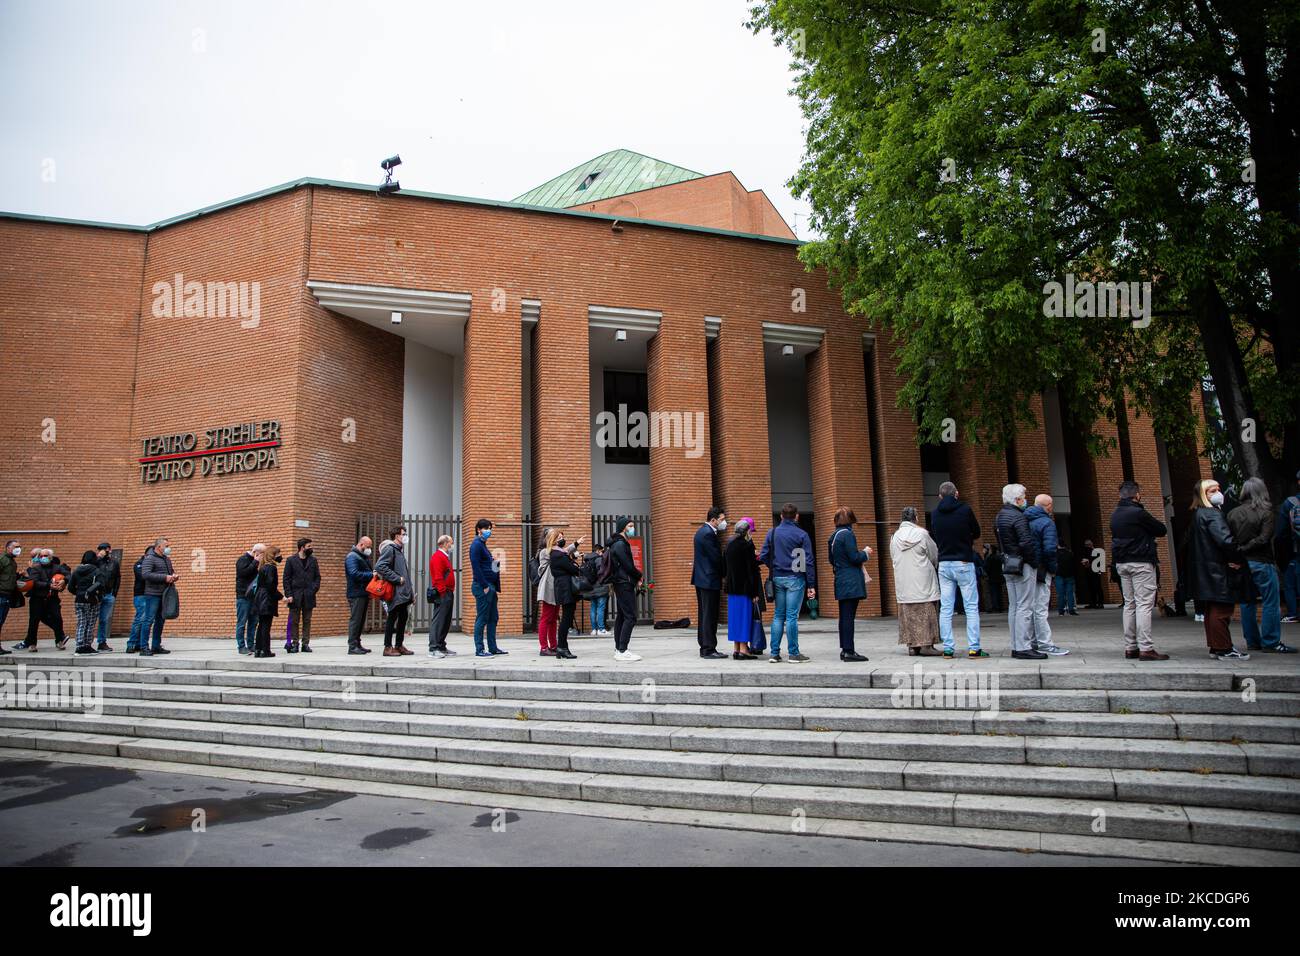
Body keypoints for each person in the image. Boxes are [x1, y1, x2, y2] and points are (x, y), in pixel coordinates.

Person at [1186, 478, 1250, 660]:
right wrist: (1237, 558)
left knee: (1213, 609)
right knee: (1221, 609)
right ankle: (1223, 647)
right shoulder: (1212, 514)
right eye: (1212, 491)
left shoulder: (1199, 514)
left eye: (1218, 489)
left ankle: (1217, 646)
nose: (1218, 493)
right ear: (1203, 495)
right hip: (1218, 570)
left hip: (1207, 569)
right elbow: (1225, 541)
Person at [1229, 477, 1294, 653]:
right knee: (1270, 602)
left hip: (1243, 564)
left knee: (1246, 603)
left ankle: (1252, 641)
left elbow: (1229, 540)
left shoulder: (1233, 513)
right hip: (1262, 562)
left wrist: (1239, 552)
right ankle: (1271, 641)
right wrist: (1245, 549)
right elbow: (1264, 538)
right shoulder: (1266, 512)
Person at [1110, 480, 1171, 660]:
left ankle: (1130, 647)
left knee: (1129, 604)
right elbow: (1161, 529)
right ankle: (1146, 647)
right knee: (1144, 604)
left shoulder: (1115, 514)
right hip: (1141, 562)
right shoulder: (1138, 513)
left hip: (1122, 563)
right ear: (1137, 495)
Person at [929, 481, 984, 658]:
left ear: (940, 496)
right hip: (963, 562)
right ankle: (974, 647)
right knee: (971, 606)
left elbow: (935, 535)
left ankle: (948, 648)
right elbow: (976, 532)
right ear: (957, 494)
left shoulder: (935, 514)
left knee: (946, 608)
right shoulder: (965, 510)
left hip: (944, 563)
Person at [995, 484, 1044, 660]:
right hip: (1022, 564)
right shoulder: (1019, 517)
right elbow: (1026, 542)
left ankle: (1016, 645)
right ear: (1017, 499)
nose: (1025, 498)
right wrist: (1033, 562)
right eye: (1024, 495)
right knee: (1025, 606)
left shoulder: (1000, 516)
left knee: (1014, 606)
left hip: (1008, 563)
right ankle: (1024, 646)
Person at [890, 507, 942, 655]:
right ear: (916, 518)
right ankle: (927, 645)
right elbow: (933, 554)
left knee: (909, 614)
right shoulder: (922, 534)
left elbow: (893, 557)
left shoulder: (895, 537)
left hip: (904, 583)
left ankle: (912, 645)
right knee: (926, 611)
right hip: (923, 580)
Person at [1025, 494, 1068, 655]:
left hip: (1028, 569)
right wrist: (1053, 569)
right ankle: (1045, 644)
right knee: (1041, 607)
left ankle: (1033, 641)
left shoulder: (1024, 519)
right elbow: (1049, 549)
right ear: (1048, 505)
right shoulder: (1047, 523)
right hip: (1042, 569)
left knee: (1030, 606)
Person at [827, 507, 870, 662]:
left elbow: (831, 560)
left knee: (844, 616)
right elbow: (854, 557)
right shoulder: (848, 535)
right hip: (851, 579)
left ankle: (844, 649)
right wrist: (865, 553)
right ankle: (849, 651)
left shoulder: (833, 536)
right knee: (849, 617)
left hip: (840, 578)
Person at [724, 517, 764, 660]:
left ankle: (736, 648)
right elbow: (750, 570)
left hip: (732, 588)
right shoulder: (746, 546)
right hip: (744, 589)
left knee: (735, 619)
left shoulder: (729, 544)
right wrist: (754, 592)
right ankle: (743, 650)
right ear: (746, 532)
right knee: (744, 619)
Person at [692, 507, 727, 659]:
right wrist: (726, 572)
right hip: (709, 579)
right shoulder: (708, 534)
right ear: (713, 520)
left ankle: (705, 646)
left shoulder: (701, 532)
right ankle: (708, 649)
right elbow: (715, 558)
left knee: (704, 614)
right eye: (722, 519)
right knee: (709, 615)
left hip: (702, 579)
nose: (724, 522)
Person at [607, 516, 643, 661]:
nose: (632, 528)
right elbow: (628, 565)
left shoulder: (617, 543)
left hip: (621, 582)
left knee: (622, 616)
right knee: (630, 617)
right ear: (623, 528)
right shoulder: (620, 544)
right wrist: (639, 575)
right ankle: (622, 650)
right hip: (624, 583)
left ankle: (619, 648)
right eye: (630, 526)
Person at [21, 548, 70, 651]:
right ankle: (32, 643)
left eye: (45, 556)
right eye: (41, 556)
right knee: (34, 621)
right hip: (37, 598)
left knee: (57, 619)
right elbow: (35, 582)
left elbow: (68, 574)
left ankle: (59, 641)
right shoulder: (36, 568)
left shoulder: (58, 568)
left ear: (51, 557)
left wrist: (64, 580)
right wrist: (49, 585)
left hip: (52, 598)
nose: (43, 558)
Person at [375, 526, 414, 656]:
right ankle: (387, 647)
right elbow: (380, 566)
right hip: (395, 591)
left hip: (403, 592)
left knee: (403, 617)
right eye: (404, 534)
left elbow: (404, 573)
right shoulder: (390, 549)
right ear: (397, 536)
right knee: (392, 618)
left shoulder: (399, 550)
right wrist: (397, 579)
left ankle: (398, 645)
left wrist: (410, 592)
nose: (405, 536)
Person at [469, 519, 506, 658]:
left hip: (491, 587)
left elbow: (487, 566)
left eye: (490, 528)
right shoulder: (476, 545)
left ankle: (493, 647)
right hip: (483, 587)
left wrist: (495, 563)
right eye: (486, 528)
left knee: (493, 618)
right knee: (482, 618)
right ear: (479, 529)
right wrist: (485, 586)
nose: (488, 530)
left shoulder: (483, 545)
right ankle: (479, 649)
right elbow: (476, 567)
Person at [137, 537, 178, 657]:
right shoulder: (149, 558)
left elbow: (169, 572)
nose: (168, 548)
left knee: (160, 620)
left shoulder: (167, 559)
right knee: (148, 620)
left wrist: (173, 576)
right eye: (166, 546)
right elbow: (146, 574)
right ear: (158, 547)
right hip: (152, 594)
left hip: (164, 594)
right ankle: (143, 647)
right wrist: (164, 577)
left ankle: (156, 646)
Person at [548, 531, 584, 660]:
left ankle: (561, 648)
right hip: (565, 588)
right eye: (559, 538)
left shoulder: (558, 553)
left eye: (562, 537)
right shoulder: (558, 554)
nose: (562, 539)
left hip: (563, 587)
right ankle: (562, 647)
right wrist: (574, 564)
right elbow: (573, 568)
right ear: (553, 541)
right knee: (566, 619)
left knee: (566, 618)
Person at [282, 537, 321, 653]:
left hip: (309, 595)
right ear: (302, 547)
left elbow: (317, 577)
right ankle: (294, 643)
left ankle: (305, 644)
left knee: (307, 620)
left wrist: (313, 589)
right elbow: (286, 579)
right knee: (294, 621)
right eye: (309, 546)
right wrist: (289, 594)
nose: (311, 548)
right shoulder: (291, 560)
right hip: (295, 595)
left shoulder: (313, 560)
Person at [70, 550, 105, 655]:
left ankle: (79, 645)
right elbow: (101, 585)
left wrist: (78, 593)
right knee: (90, 623)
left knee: (81, 622)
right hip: (92, 600)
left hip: (79, 600)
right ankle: (87, 645)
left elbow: (70, 587)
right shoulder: (96, 571)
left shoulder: (76, 570)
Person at [1276, 471, 1300, 623]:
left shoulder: (1290, 503)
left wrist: (1283, 556)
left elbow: (1281, 533)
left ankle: (1292, 613)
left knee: (1290, 584)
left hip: (1296, 551)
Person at [428, 534, 457, 658]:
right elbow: (438, 577)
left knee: (445, 620)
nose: (452, 545)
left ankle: (441, 645)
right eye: (451, 542)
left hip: (447, 591)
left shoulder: (444, 557)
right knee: (439, 620)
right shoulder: (438, 557)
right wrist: (443, 592)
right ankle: (434, 647)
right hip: (443, 593)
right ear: (445, 544)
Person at [344, 536, 374, 655]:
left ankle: (358, 643)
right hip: (356, 593)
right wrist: (371, 574)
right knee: (356, 620)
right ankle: (352, 646)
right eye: (368, 547)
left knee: (360, 620)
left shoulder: (362, 556)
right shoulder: (352, 557)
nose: (369, 550)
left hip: (363, 592)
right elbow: (354, 573)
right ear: (361, 545)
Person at [252, 545, 283, 658]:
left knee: (261, 625)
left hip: (259, 598)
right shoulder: (271, 568)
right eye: (278, 554)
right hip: (267, 599)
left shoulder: (263, 567)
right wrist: (281, 597)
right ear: (273, 555)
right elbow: (271, 586)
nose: (280, 556)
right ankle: (266, 650)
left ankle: (258, 650)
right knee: (266, 626)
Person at [234, 543, 264, 655]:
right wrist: (255, 562)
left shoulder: (256, 563)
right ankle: (241, 646)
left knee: (253, 622)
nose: (263, 557)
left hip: (254, 597)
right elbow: (243, 573)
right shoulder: (242, 560)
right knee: (242, 622)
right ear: (257, 553)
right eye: (262, 554)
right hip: (243, 597)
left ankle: (251, 645)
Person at [535, 529, 559, 656]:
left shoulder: (554, 550)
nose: (560, 540)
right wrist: (574, 545)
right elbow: (560, 554)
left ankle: (553, 645)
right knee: (546, 618)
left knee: (553, 619)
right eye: (557, 538)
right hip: (548, 589)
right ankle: (544, 647)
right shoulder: (545, 552)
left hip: (555, 588)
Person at [93, 542, 119, 652]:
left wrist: (114, 593)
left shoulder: (114, 563)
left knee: (104, 619)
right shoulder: (95, 561)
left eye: (108, 549)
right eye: (104, 549)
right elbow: (90, 571)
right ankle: (86, 643)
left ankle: (102, 642)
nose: (107, 551)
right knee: (91, 619)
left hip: (109, 594)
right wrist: (99, 558)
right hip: (97, 594)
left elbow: (117, 578)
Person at [581, 544, 612, 637]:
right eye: (602, 551)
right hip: (600, 587)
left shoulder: (587, 560)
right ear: (598, 551)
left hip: (590, 587)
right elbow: (602, 572)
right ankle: (601, 629)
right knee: (601, 608)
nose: (602, 553)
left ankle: (594, 629)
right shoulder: (598, 559)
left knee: (593, 608)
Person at [0, 539, 21, 654]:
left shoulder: (12, 562)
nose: (18, 549)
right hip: (1, 594)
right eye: (16, 547)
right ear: (8, 548)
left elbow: (9, 577)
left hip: (7, 595)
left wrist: (18, 575)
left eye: (19, 547)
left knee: (1, 621)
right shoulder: (2, 560)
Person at [1079, 539, 1105, 608]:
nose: (1086, 547)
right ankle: (1093, 603)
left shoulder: (1096, 551)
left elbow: (1098, 561)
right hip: (1089, 571)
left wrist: (1088, 561)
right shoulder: (1087, 552)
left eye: (1087, 545)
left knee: (1097, 587)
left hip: (1096, 572)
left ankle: (1100, 603)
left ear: (1090, 545)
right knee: (1091, 588)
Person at [1055, 541, 1077, 615]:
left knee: (1060, 594)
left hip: (1059, 575)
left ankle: (1061, 611)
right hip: (1069, 575)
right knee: (1070, 593)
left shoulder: (1055, 554)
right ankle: (1071, 610)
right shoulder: (1070, 553)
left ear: (1058, 545)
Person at [983, 543, 1005, 612]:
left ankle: (996, 607)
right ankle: (1001, 606)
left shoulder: (989, 558)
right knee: (999, 592)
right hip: (999, 577)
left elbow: (986, 568)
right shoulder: (999, 558)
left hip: (992, 578)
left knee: (994, 593)